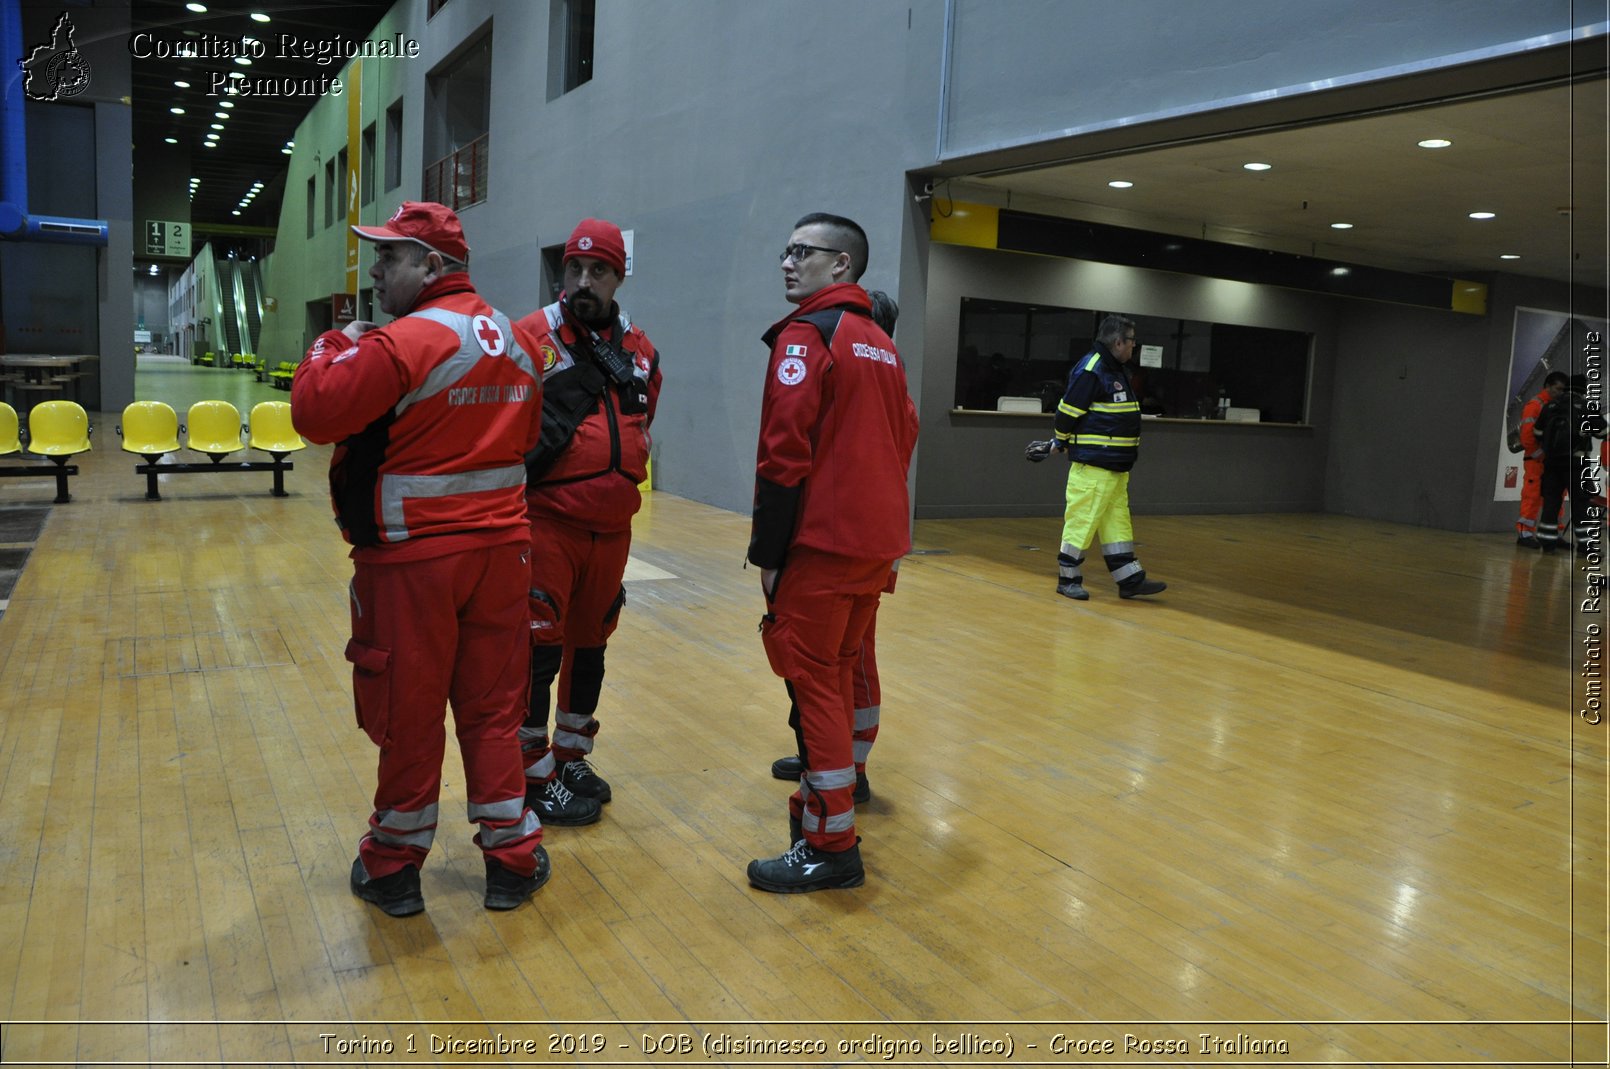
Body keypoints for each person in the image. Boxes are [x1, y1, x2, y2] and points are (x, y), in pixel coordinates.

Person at [291, 201, 549, 916]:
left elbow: (313, 413)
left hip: (412, 563)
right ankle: (512, 857)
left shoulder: (401, 343)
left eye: (390, 257)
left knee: (409, 714)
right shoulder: (522, 343)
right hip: (502, 554)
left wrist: (329, 346)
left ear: (432, 267)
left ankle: (394, 866)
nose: (375, 272)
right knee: (496, 712)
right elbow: (525, 438)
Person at [747, 214, 919, 893]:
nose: (788, 262)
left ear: (841, 265)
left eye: (802, 252)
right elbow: (903, 437)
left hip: (821, 543)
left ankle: (831, 844)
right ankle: (826, 809)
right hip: (874, 544)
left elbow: (783, 452)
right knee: (842, 674)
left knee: (814, 681)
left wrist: (769, 549)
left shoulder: (807, 335)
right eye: (785, 249)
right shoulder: (880, 341)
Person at [513, 218, 661, 824]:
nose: (583, 280)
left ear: (618, 276)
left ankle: (572, 753)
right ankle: (528, 769)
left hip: (613, 530)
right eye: (574, 268)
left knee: (592, 641)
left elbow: (645, 421)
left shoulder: (641, 349)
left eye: (597, 270)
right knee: (536, 647)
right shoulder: (530, 337)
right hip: (547, 523)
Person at [768, 289, 904, 804]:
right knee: (830, 661)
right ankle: (826, 758)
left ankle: (853, 769)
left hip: (855, 545)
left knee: (851, 660)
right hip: (853, 540)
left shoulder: (886, 388)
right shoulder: (876, 381)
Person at [1025, 314, 1166, 600]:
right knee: (1081, 523)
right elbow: (1068, 412)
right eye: (1132, 343)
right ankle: (1068, 580)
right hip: (1093, 466)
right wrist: (1059, 442)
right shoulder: (1093, 369)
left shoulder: (1114, 370)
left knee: (1117, 525)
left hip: (1115, 467)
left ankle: (1129, 579)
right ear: (1118, 342)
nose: (1133, 348)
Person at [1535, 374, 1607, 551]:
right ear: (1584, 390)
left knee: (1551, 501)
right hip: (1577, 463)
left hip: (1551, 463)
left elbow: (1538, 433)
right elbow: (1604, 432)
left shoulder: (1550, 406)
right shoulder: (1586, 406)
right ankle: (1585, 545)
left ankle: (1547, 541)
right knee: (1581, 503)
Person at [1516, 371, 1569, 549]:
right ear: (1547, 386)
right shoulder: (1535, 405)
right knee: (1532, 496)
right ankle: (1525, 533)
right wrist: (1538, 453)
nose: (1560, 392)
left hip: (1552, 461)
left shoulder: (1558, 406)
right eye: (1558, 389)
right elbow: (1527, 436)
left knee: (1556, 499)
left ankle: (1552, 533)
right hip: (1537, 461)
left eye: (1563, 390)